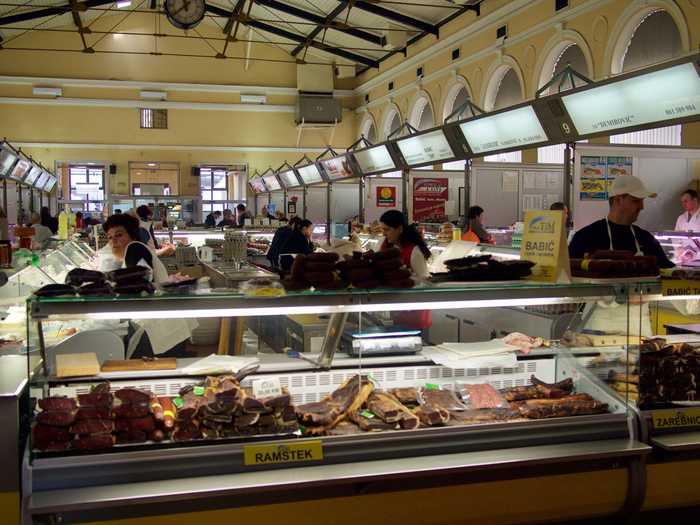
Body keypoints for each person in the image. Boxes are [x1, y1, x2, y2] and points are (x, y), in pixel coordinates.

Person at [100, 214, 195, 358]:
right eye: (110, 237)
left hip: (156, 328)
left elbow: (140, 281)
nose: (114, 241)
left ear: (132, 235)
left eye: (119, 235)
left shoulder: (134, 248)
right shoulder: (133, 252)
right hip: (158, 325)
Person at [569, 175, 673, 268]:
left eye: (642, 201)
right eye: (636, 201)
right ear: (618, 200)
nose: (642, 207)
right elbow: (567, 273)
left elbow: (668, 271)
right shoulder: (585, 237)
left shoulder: (646, 239)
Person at [380, 210, 432, 330]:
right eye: (383, 229)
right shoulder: (388, 247)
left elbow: (424, 281)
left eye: (387, 229)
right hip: (397, 309)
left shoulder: (414, 251)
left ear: (399, 229)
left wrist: (405, 277)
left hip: (414, 312)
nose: (384, 233)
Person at [674, 189, 700, 264]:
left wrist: (693, 254)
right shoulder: (681, 218)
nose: (683, 204)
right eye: (682, 202)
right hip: (684, 258)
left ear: (694, 200)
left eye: (686, 201)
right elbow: (675, 238)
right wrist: (680, 251)